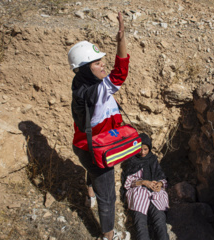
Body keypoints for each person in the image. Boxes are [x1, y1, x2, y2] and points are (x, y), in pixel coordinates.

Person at [68, 12, 128, 240]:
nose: (103, 65)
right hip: (95, 150)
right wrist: (121, 39)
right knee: (108, 197)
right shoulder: (96, 91)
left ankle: (89, 194)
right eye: (97, 62)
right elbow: (121, 72)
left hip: (84, 145)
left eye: (102, 60)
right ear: (84, 68)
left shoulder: (80, 84)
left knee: (91, 171)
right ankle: (108, 235)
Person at [121, 133, 170, 240]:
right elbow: (128, 183)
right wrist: (143, 182)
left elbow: (162, 177)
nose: (142, 152)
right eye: (139, 149)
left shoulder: (153, 160)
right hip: (139, 194)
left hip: (155, 194)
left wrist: (160, 184)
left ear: (149, 148)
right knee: (140, 225)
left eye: (145, 149)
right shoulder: (132, 160)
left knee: (160, 222)